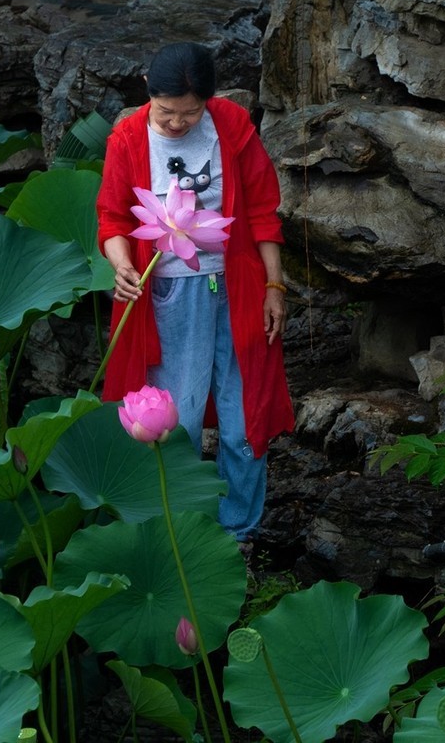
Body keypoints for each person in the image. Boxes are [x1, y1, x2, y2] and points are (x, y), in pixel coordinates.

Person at [96, 42, 294, 544]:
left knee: (241, 418)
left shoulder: (230, 124)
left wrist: (274, 285)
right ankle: (176, 535)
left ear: (209, 101)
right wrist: (121, 265)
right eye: (166, 113)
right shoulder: (127, 138)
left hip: (239, 289)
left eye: (190, 113)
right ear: (148, 92)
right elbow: (114, 219)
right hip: (166, 294)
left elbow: (263, 212)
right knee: (175, 421)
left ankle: (238, 535)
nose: (177, 124)